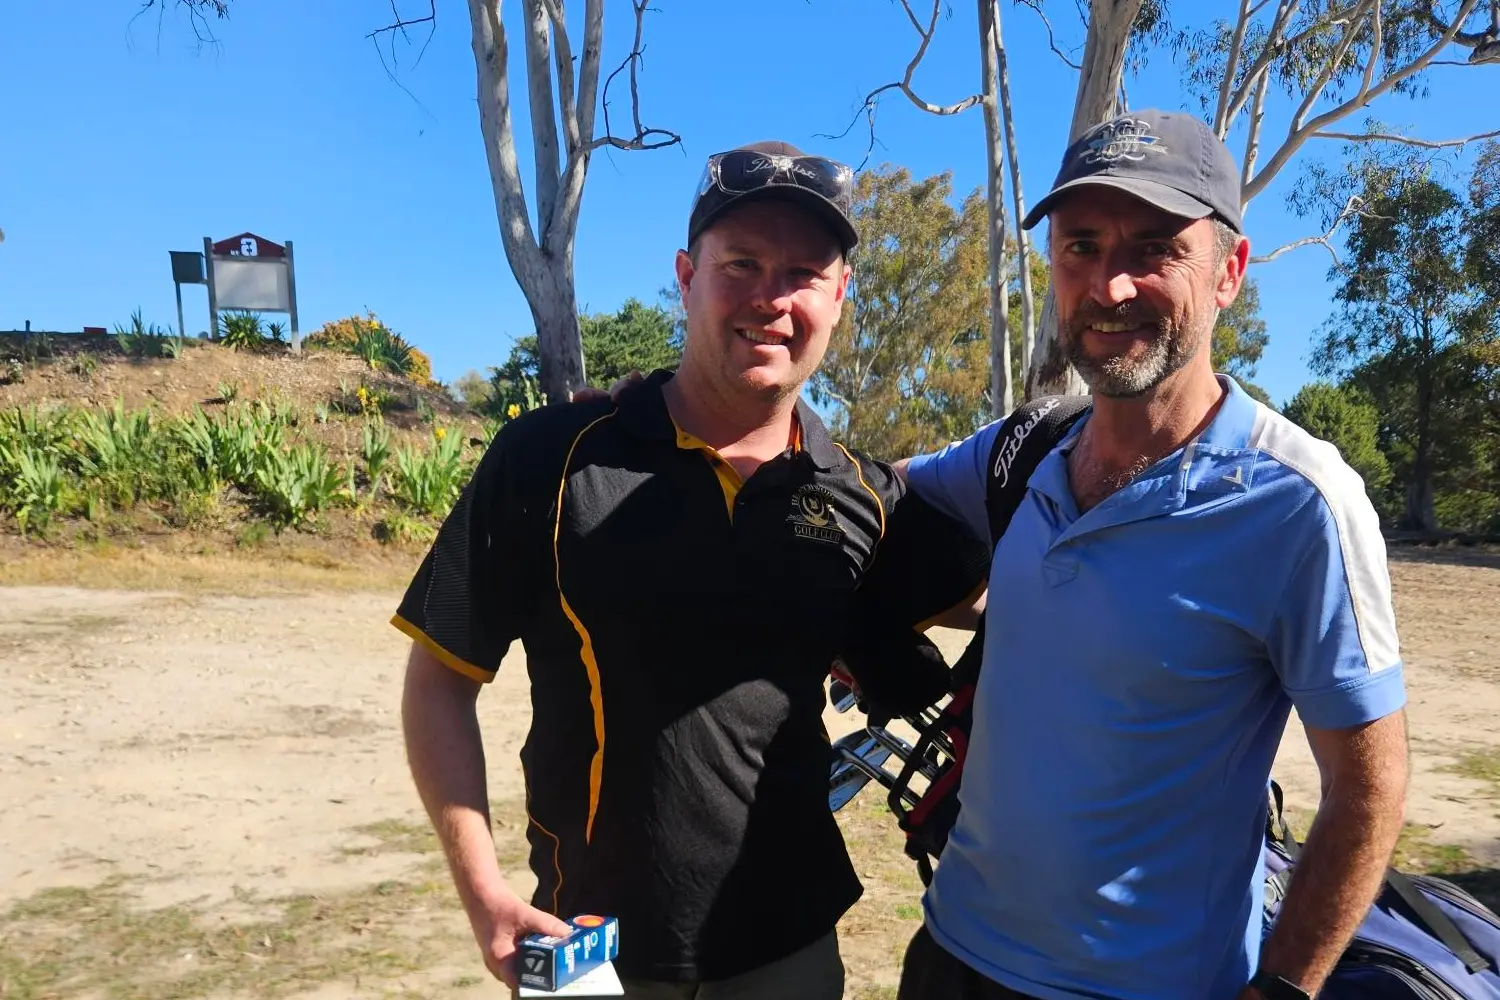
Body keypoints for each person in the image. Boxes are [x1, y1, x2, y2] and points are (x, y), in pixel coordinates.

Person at [392, 140, 988, 999]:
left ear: (840, 295)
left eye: (802, 273)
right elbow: (440, 682)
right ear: (686, 273)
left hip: (789, 948)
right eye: (740, 263)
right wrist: (484, 896)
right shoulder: (550, 459)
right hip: (585, 948)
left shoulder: (863, 496)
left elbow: (1010, 595)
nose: (770, 298)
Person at [887, 109, 1410, 1000]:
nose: (1109, 285)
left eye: (1155, 249)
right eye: (1080, 246)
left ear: (1229, 274)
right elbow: (857, 489)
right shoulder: (1023, 455)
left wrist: (1282, 989)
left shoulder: (1299, 503)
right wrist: (671, 418)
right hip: (951, 954)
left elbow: (1371, 790)